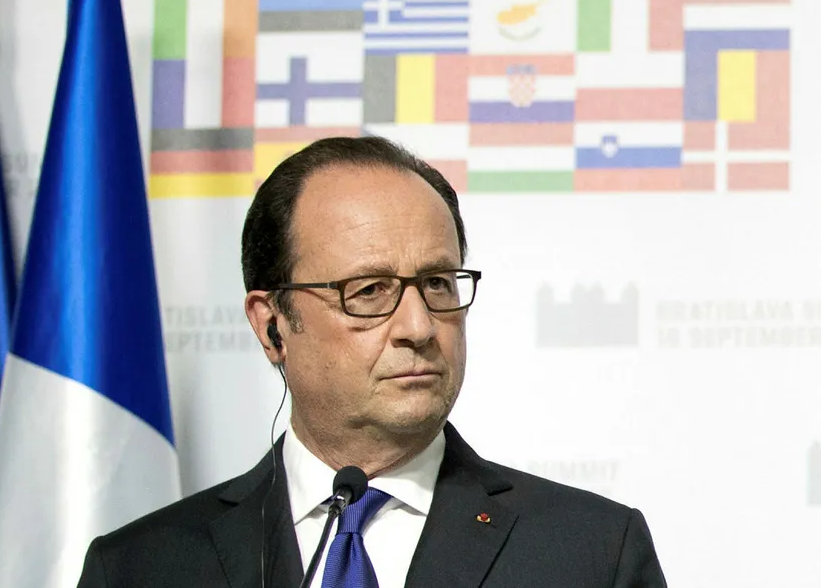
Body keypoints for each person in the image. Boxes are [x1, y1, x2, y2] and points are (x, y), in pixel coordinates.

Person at [76, 136, 667, 587]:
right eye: (369, 291)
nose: (418, 327)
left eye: (437, 282)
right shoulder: (139, 566)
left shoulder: (590, 554)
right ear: (272, 324)